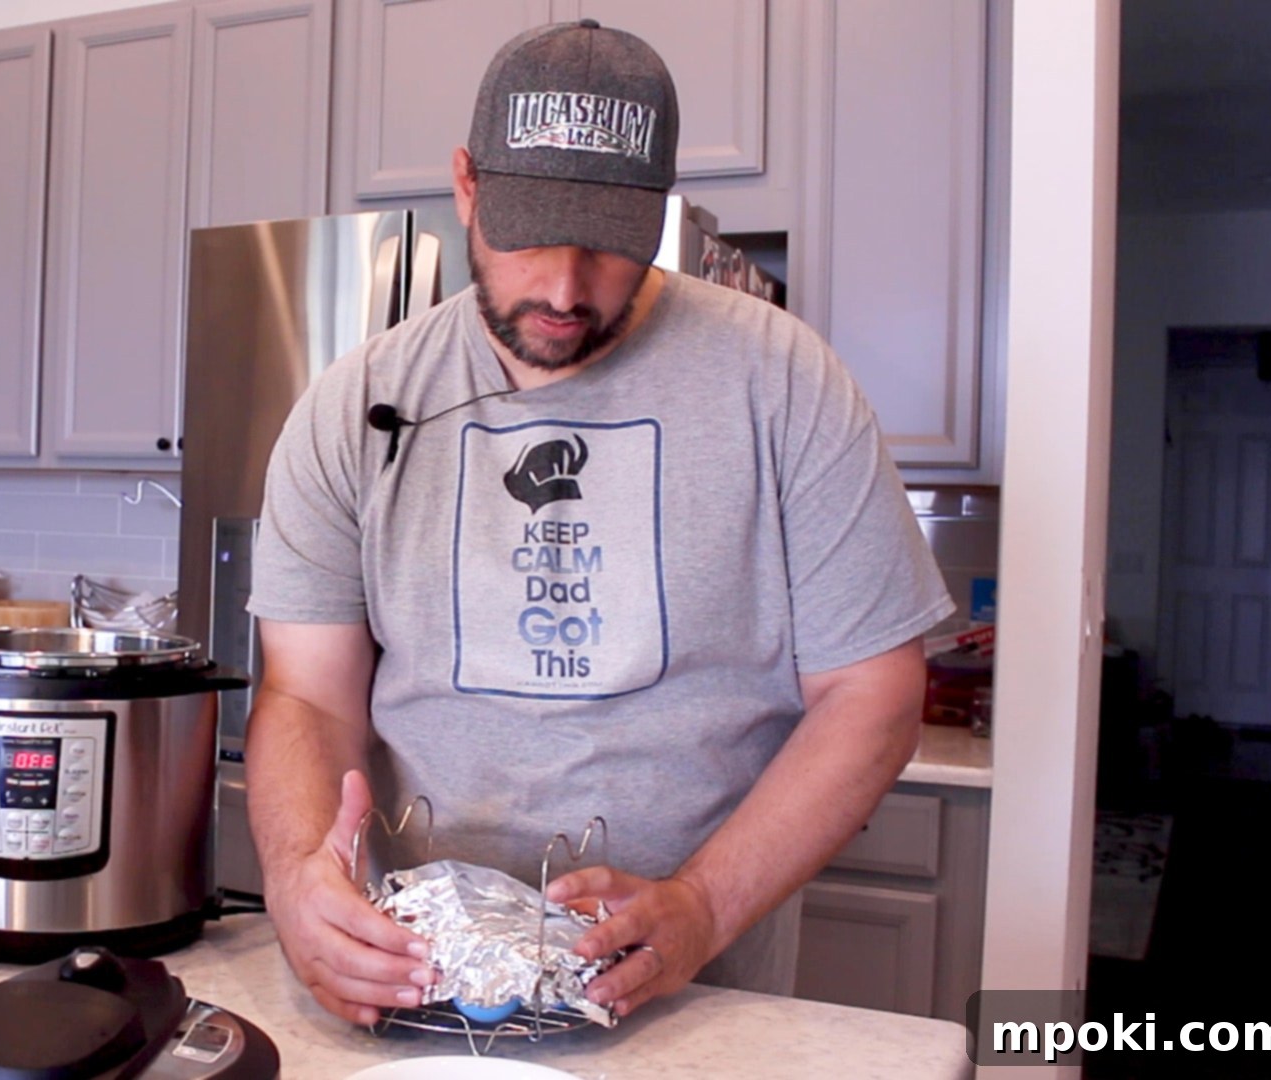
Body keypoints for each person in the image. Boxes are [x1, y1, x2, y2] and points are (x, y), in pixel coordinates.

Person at [243, 20, 954, 1027]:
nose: (566, 290)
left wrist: (704, 905)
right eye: (529, 233)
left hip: (702, 1000)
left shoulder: (782, 381)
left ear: (659, 212)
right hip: (414, 996)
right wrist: (295, 875)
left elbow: (873, 695)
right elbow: (308, 699)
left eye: (609, 244)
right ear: (466, 187)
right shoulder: (356, 404)